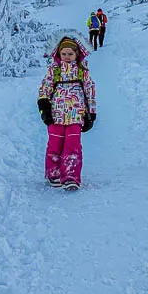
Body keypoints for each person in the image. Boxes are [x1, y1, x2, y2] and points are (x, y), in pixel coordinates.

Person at [37, 36, 97, 191]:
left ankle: (71, 176)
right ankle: (54, 173)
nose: (67, 57)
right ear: (59, 54)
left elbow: (90, 91)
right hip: (55, 115)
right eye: (64, 54)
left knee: (73, 146)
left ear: (77, 54)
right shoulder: (54, 71)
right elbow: (45, 89)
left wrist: (91, 113)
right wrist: (44, 108)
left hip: (76, 115)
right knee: (55, 145)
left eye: (70, 54)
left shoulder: (82, 72)